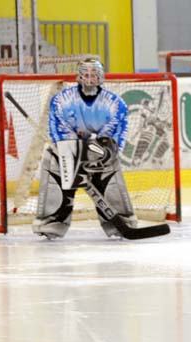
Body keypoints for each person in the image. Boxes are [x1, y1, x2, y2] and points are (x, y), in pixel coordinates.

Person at [33, 57, 137, 239]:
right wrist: (75, 152)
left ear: (101, 76)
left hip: (99, 153)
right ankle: (52, 220)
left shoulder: (115, 103)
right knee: (52, 160)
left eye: (94, 74)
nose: (89, 78)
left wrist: (96, 150)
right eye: (85, 74)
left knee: (110, 167)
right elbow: (58, 129)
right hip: (70, 150)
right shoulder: (61, 100)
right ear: (78, 76)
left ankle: (120, 220)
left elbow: (114, 135)